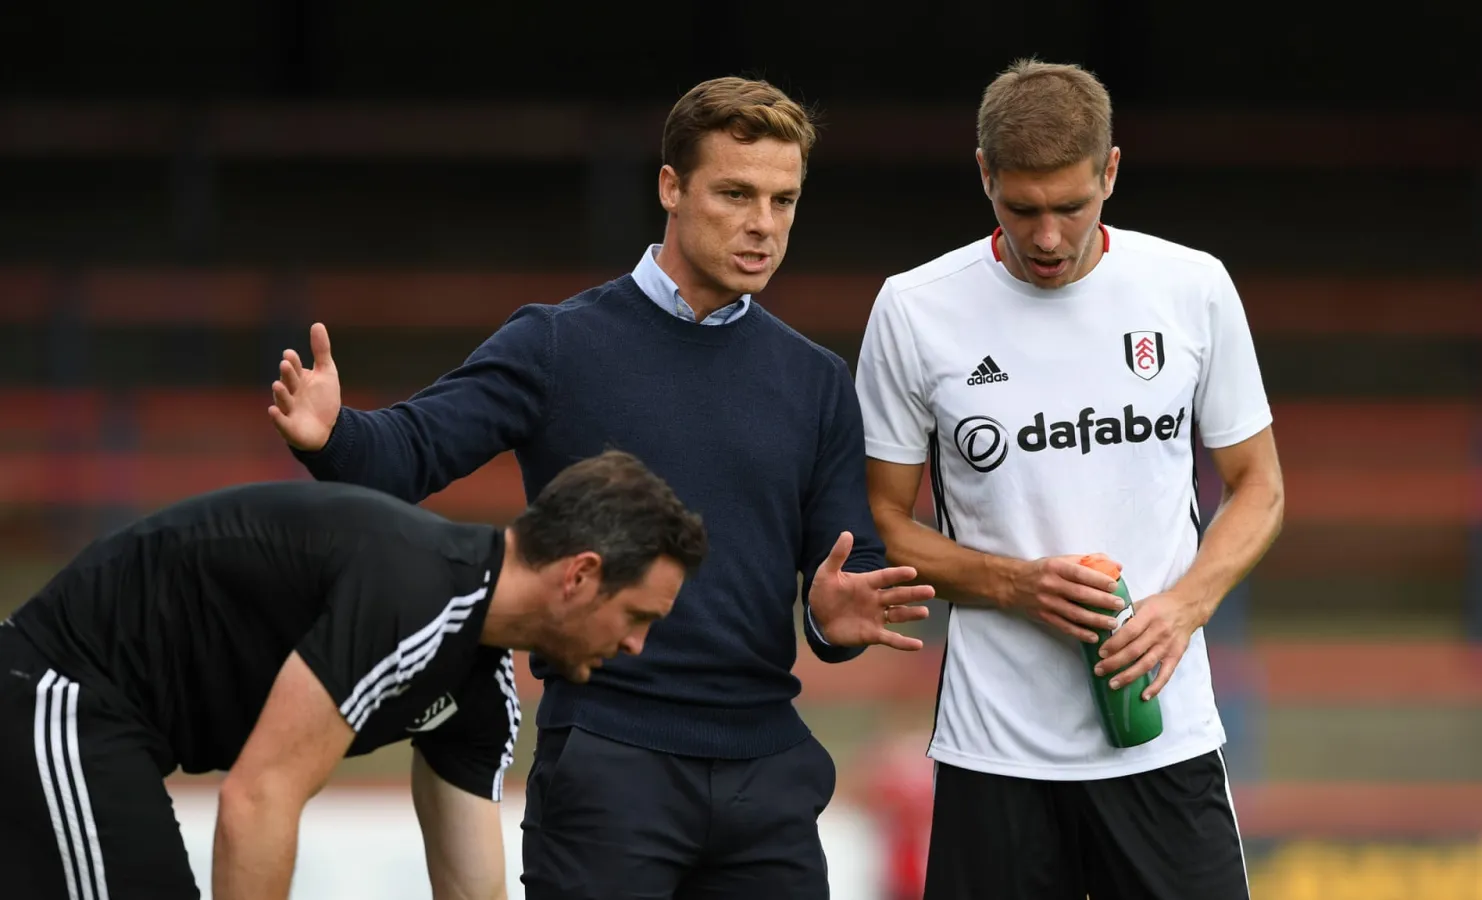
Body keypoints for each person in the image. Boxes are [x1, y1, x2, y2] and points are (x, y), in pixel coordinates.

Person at [266, 75, 935, 899]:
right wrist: (333, 433)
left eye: (784, 199)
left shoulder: (819, 380)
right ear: (670, 188)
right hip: (611, 758)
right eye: (736, 193)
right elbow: (408, 452)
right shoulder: (557, 344)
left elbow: (844, 574)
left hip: (768, 774)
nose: (764, 224)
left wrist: (837, 620)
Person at [854, 59, 1285, 899]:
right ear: (984, 176)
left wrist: (1184, 608)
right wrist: (1016, 584)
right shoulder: (914, 308)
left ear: (1111, 172)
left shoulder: (1191, 289)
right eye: (1021, 209)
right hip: (995, 752)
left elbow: (1258, 485)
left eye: (1071, 207)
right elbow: (884, 521)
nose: (1047, 236)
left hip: (1163, 739)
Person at [0, 449, 708, 900]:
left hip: (106, 727)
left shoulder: (480, 693)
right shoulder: (414, 594)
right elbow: (258, 800)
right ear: (581, 575)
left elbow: (472, 891)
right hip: (57, 693)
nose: (637, 645)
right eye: (638, 615)